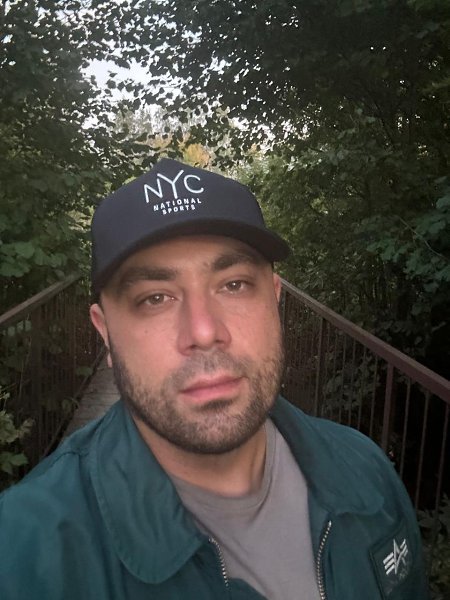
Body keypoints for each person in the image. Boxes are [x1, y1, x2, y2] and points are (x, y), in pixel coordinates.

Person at [0, 158, 428, 599]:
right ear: (105, 332)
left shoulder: (365, 468)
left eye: (234, 285)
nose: (204, 331)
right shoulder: (24, 554)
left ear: (275, 300)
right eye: (155, 298)